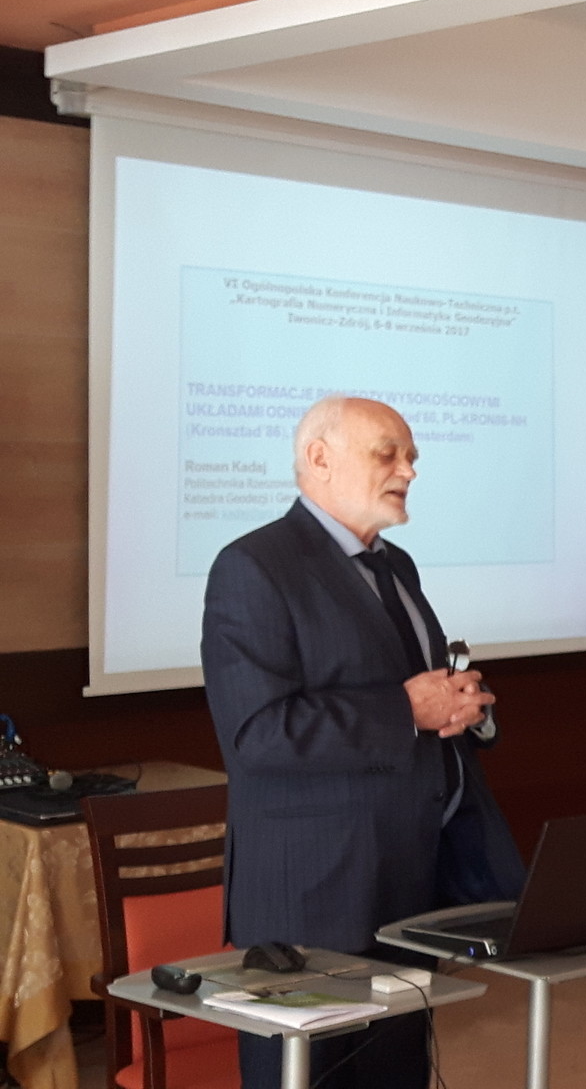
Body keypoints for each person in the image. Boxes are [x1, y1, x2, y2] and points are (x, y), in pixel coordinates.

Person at [202, 395, 509, 1089]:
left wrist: (466, 710)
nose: (409, 470)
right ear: (319, 458)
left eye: (412, 457)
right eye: (388, 454)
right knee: (313, 1078)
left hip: (410, 876)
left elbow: (422, 694)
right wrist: (404, 710)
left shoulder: (398, 565)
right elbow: (257, 734)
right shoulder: (254, 566)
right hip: (314, 892)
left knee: (395, 1070)